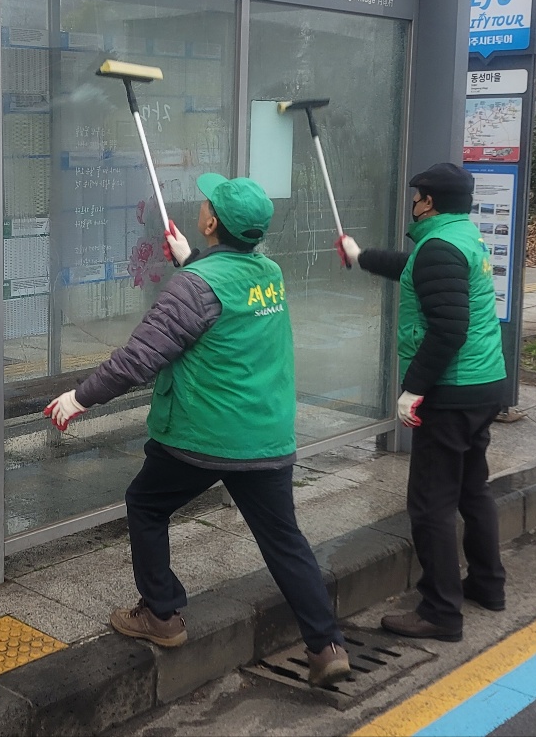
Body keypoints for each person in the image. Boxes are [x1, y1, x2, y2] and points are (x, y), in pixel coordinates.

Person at [44, 174, 351, 687]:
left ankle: (161, 614)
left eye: (206, 205)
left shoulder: (196, 286)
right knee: (284, 541)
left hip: (204, 435)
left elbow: (142, 356)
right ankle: (326, 646)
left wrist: (80, 398)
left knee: (146, 503)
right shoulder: (268, 273)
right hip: (266, 436)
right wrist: (194, 260)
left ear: (211, 222)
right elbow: (224, 303)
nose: (201, 206)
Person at [338, 162, 509, 642]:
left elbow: (448, 329)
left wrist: (414, 388)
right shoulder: (461, 238)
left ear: (428, 201)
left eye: (417, 197)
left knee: (431, 505)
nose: (413, 204)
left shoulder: (438, 247)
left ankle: (440, 611)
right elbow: (415, 272)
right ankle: (488, 585)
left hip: (452, 393)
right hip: (483, 384)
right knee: (473, 489)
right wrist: (361, 256)